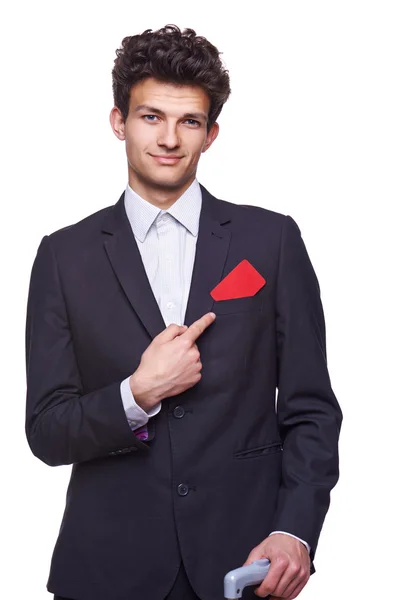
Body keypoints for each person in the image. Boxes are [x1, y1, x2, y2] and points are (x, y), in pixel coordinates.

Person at [25, 24, 342, 600]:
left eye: (189, 121)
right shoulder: (62, 256)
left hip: (243, 562)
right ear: (118, 122)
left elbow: (312, 410)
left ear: (211, 133)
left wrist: (293, 529)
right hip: (105, 570)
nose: (169, 138)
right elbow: (47, 430)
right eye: (151, 117)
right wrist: (137, 394)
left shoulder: (270, 240)